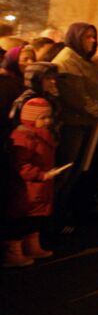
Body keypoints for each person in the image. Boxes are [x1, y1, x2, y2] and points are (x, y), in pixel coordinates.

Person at [51, 23, 98, 228]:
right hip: (73, 125)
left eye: (94, 36)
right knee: (65, 172)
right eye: (87, 37)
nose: (93, 41)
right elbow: (77, 97)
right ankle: (52, 219)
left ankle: (61, 214)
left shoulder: (85, 62)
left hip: (87, 124)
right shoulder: (67, 61)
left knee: (76, 172)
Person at [4, 98, 57, 268]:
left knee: (34, 217)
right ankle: (13, 253)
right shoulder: (24, 137)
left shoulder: (42, 134)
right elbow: (20, 165)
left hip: (39, 186)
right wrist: (41, 175)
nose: (47, 121)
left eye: (49, 117)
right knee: (20, 219)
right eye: (43, 117)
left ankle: (32, 246)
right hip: (26, 187)